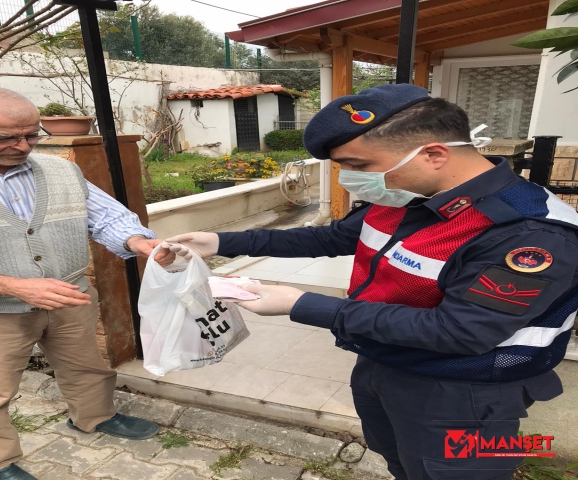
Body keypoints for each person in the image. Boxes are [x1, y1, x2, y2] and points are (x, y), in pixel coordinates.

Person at [166, 84, 578, 480]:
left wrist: (299, 303)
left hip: (465, 392)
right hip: (385, 362)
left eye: (360, 166)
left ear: (433, 154)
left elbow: (461, 331)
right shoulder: (407, 196)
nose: (349, 178)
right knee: (399, 460)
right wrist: (218, 241)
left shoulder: (529, 233)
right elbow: (328, 237)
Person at [0, 87, 175, 480]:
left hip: (70, 296)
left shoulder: (61, 169)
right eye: (4, 138)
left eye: (33, 134)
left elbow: (104, 215)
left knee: (86, 366)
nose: (22, 145)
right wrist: (7, 285)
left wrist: (136, 240)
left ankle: (94, 417)